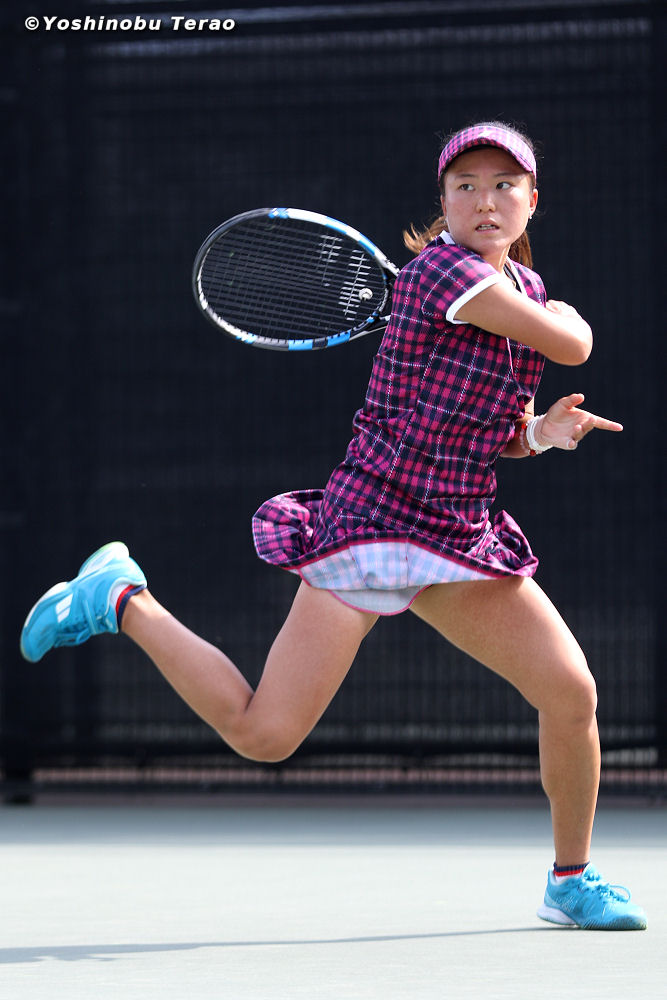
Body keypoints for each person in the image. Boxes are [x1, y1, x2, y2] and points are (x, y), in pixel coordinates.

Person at [20, 121, 646, 931]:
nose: (484, 201)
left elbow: (489, 427)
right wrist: (567, 317)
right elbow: (572, 344)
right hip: (372, 527)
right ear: (443, 203)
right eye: (464, 186)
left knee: (570, 693)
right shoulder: (442, 272)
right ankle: (119, 599)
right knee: (264, 736)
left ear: (532, 199)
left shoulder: (516, 290)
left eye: (503, 185)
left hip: (456, 533)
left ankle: (570, 880)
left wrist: (539, 434)